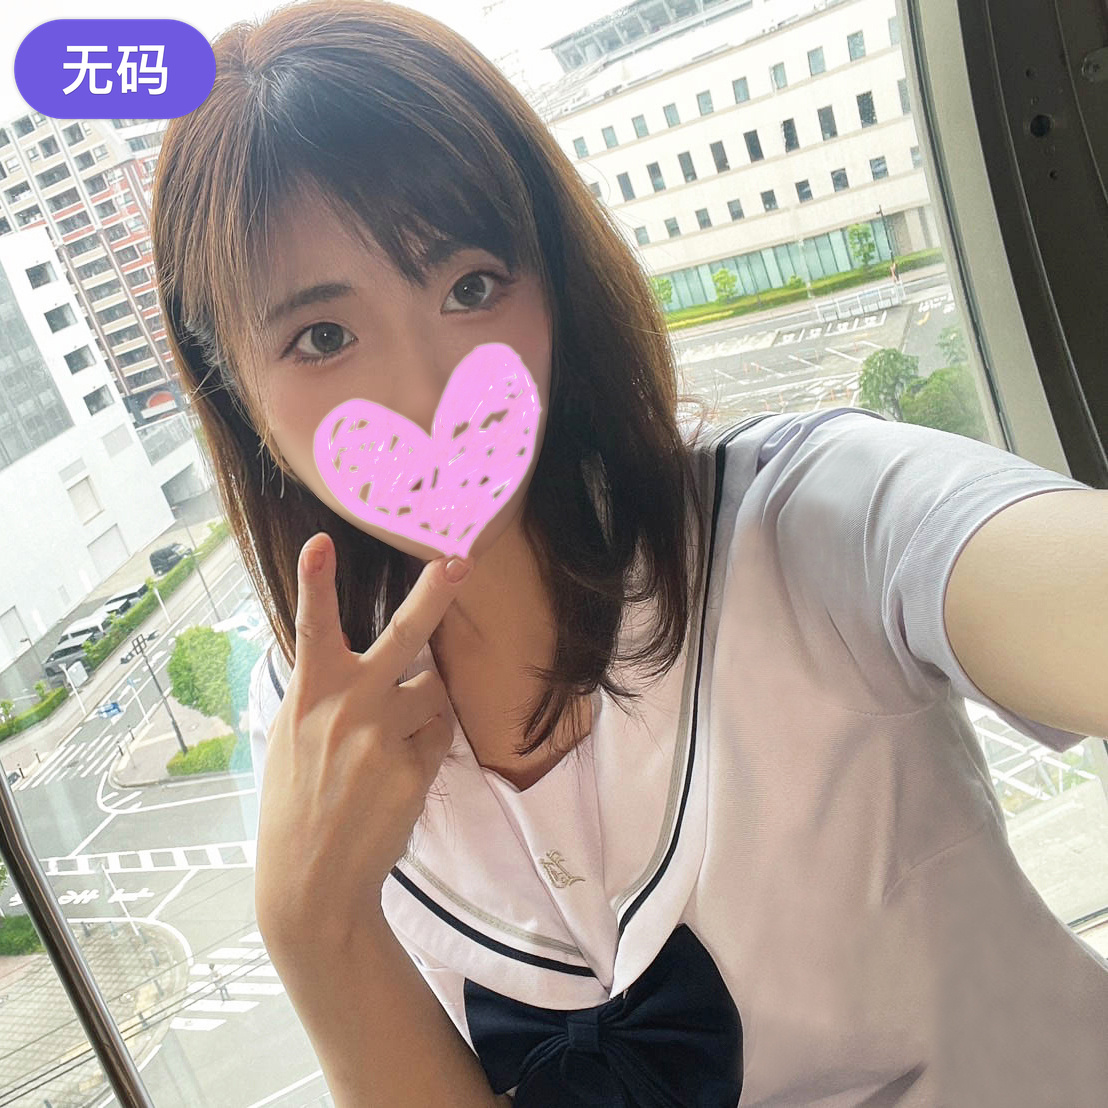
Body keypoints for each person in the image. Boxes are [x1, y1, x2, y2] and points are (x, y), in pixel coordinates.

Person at [150, 2, 1108, 1105]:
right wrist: (311, 927)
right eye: (323, 337)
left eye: (471, 285)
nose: (426, 394)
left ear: (555, 281)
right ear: (233, 388)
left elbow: (997, 556)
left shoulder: (802, 521)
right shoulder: (312, 725)